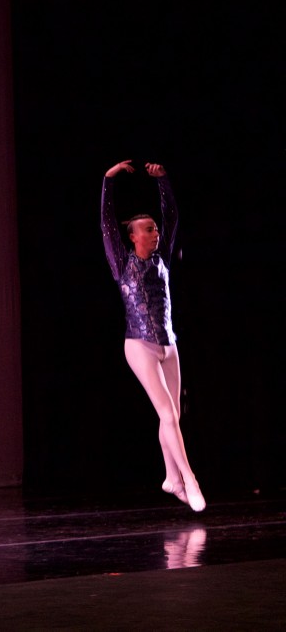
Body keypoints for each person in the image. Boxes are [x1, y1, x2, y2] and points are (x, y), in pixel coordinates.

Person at [100, 160, 205, 512]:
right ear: (133, 236)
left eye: (155, 228)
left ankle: (170, 479)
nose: (155, 232)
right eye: (147, 229)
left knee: (171, 415)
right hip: (138, 344)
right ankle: (188, 480)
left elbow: (172, 217)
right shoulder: (121, 262)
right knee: (168, 413)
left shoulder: (163, 260)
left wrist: (164, 182)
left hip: (168, 343)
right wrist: (108, 181)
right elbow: (106, 223)